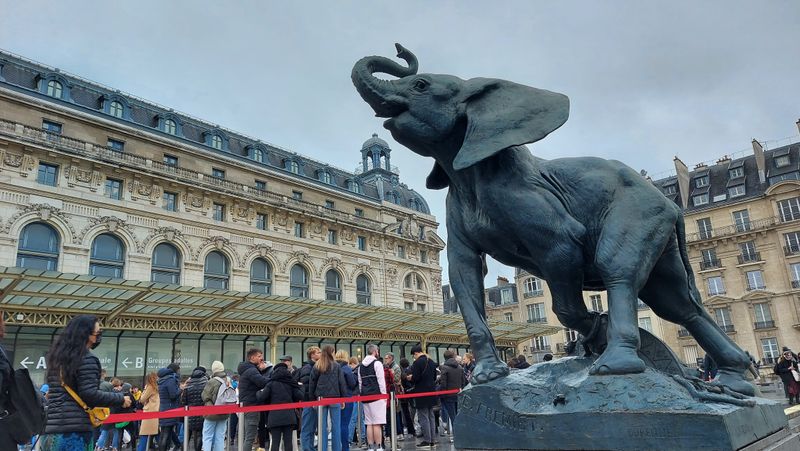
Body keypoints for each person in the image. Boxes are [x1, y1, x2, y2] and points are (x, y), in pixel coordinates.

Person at [39, 314, 130, 451]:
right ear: (85, 334)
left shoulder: (57, 359)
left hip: (51, 430)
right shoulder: (87, 359)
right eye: (97, 332)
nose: (99, 336)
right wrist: (120, 398)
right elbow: (89, 394)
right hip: (74, 432)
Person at [257, 361, 303, 451]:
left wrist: (259, 392)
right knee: (288, 443)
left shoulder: (271, 383)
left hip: (274, 417)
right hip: (289, 417)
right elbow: (300, 396)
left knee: (275, 443)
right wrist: (300, 387)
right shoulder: (291, 383)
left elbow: (261, 397)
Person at [309, 345, 348, 451]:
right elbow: (341, 383)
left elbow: (312, 383)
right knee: (336, 426)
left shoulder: (318, 365)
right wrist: (343, 399)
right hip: (335, 398)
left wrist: (312, 399)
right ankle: (336, 449)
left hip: (321, 398)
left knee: (322, 426)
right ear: (332, 353)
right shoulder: (337, 366)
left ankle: (323, 448)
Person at [238, 348, 272, 451]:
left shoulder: (248, 369)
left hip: (248, 405)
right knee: (250, 437)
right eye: (259, 356)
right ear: (252, 358)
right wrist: (276, 379)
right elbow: (262, 382)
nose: (262, 358)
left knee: (249, 436)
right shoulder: (251, 370)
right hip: (252, 406)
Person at [406, 344, 437, 447]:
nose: (413, 357)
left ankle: (427, 440)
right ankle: (432, 439)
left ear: (416, 353)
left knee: (423, 416)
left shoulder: (417, 363)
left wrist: (411, 378)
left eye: (413, 355)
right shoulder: (431, 361)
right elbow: (434, 377)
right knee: (431, 415)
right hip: (431, 391)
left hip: (421, 392)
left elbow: (416, 378)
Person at [357, 344, 386, 451]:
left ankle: (370, 446)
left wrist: (362, 393)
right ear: (375, 352)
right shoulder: (377, 363)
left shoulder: (360, 366)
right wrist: (384, 395)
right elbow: (381, 381)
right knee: (377, 423)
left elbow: (360, 382)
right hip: (377, 396)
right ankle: (378, 446)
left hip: (365, 396)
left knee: (369, 423)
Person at [202, 361, 232, 451]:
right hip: (224, 412)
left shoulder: (212, 381)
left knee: (208, 436)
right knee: (220, 437)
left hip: (212, 412)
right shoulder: (228, 380)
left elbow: (205, 396)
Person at [297, 346, 321, 451]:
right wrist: (312, 400)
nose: (320, 354)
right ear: (312, 355)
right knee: (307, 427)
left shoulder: (314, 366)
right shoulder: (308, 368)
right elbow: (307, 386)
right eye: (318, 352)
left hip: (312, 401)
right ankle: (307, 448)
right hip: (309, 401)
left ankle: (310, 447)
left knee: (312, 427)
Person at [438, 350, 466, 441]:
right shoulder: (460, 367)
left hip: (448, 395)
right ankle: (460, 434)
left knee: (452, 415)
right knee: (457, 415)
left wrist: (442, 394)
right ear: (453, 356)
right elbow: (463, 381)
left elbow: (443, 384)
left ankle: (456, 435)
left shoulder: (444, 368)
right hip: (458, 394)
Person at [157, 363, 184, 451]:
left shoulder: (162, 379)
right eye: (178, 370)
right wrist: (181, 389)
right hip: (170, 409)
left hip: (163, 409)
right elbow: (173, 395)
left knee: (164, 434)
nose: (179, 372)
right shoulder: (170, 379)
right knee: (166, 435)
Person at [181, 366, 209, 451]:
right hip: (202, 412)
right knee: (200, 434)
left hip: (190, 414)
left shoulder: (188, 386)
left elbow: (183, 401)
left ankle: (183, 449)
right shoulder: (205, 385)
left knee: (187, 434)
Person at [335, 350, 358, 451]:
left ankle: (337, 446)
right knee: (345, 424)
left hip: (335, 399)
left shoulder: (333, 367)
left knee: (337, 424)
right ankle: (345, 447)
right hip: (347, 398)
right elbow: (352, 383)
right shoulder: (346, 368)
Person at [137, 372, 160, 451]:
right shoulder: (157, 386)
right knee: (156, 433)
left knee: (144, 434)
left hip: (149, 412)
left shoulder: (150, 387)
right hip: (155, 411)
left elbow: (142, 399)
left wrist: (144, 390)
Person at [397, 358, 416, 440]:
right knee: (411, 412)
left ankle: (410, 429)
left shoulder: (404, 373)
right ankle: (411, 430)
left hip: (406, 394)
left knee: (406, 413)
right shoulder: (412, 369)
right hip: (411, 393)